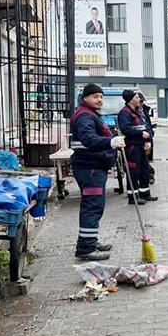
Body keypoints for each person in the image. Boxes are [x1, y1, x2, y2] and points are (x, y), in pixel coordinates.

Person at [70, 84, 125, 261]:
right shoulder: (84, 116)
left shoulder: (91, 114)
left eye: (101, 96)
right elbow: (88, 139)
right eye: (95, 96)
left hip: (93, 168)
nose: (99, 99)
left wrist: (113, 137)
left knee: (95, 206)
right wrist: (111, 143)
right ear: (85, 98)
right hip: (89, 169)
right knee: (92, 206)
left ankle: (90, 241)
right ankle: (86, 249)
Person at [117, 89, 158, 205]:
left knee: (144, 171)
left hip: (142, 146)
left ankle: (145, 194)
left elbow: (146, 127)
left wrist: (148, 140)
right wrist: (140, 134)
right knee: (133, 171)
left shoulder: (139, 112)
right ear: (130, 100)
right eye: (136, 97)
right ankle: (133, 197)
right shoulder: (124, 113)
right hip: (132, 147)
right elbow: (125, 129)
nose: (139, 99)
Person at [138, 93, 156, 184]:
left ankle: (150, 174)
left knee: (144, 160)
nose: (141, 104)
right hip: (138, 141)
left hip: (146, 140)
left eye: (142, 102)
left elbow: (148, 125)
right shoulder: (133, 112)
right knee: (142, 161)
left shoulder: (143, 111)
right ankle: (149, 174)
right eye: (139, 102)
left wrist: (150, 138)